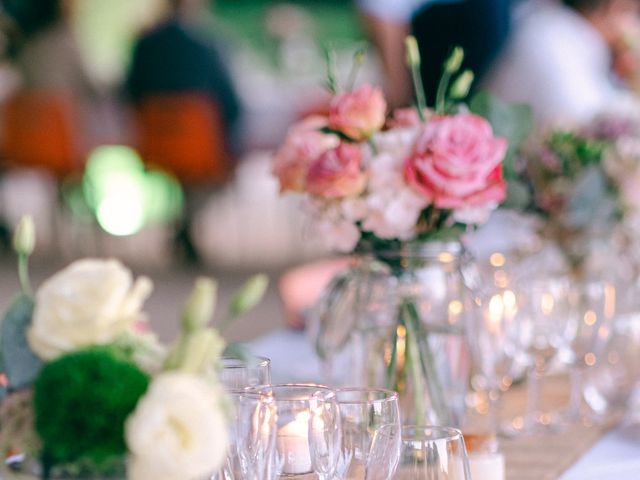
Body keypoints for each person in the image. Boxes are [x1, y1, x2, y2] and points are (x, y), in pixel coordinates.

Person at [484, 0, 640, 124]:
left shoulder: (550, 25)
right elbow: (592, 127)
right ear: (617, 7)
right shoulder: (555, 41)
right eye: (635, 15)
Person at [125, 0, 241, 147]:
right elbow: (231, 106)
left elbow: (132, 95)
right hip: (202, 150)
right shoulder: (206, 45)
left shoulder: (144, 45)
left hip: (156, 148)